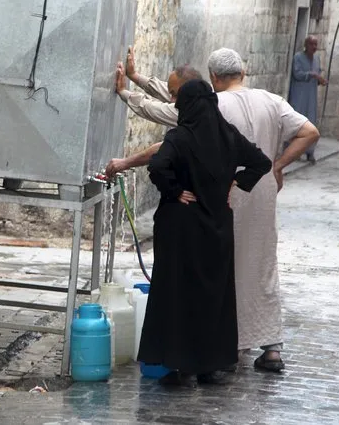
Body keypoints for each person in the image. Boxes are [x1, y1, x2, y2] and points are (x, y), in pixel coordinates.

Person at [106, 48, 320, 372]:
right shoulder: (272, 101)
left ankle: (217, 347)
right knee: (261, 265)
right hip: (258, 190)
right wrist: (278, 166)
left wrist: (126, 105)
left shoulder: (213, 106)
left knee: (218, 271)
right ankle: (270, 345)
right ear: (243, 73)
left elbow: (167, 130)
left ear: (214, 77)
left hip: (219, 197)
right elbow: (310, 132)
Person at [139, 79, 272, 386]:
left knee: (177, 294)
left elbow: (158, 166)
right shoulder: (229, 136)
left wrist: (175, 191)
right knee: (213, 297)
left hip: (182, 228)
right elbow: (261, 162)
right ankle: (208, 366)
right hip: (217, 228)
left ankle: (177, 366)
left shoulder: (180, 137)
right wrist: (234, 183)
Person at [115, 46, 202, 127]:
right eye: (173, 94)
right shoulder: (200, 94)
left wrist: (123, 92)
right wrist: (134, 75)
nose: (171, 100)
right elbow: (166, 90)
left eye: (175, 95)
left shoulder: (193, 111)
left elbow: (153, 110)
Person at [288, 35, 327, 164]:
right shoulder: (298, 58)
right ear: (306, 45)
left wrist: (320, 80)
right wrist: (312, 75)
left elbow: (317, 75)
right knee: (297, 123)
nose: (314, 47)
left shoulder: (316, 59)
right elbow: (297, 74)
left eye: (316, 44)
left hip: (311, 97)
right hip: (299, 96)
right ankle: (294, 151)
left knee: (311, 124)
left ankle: (310, 152)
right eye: (311, 44)